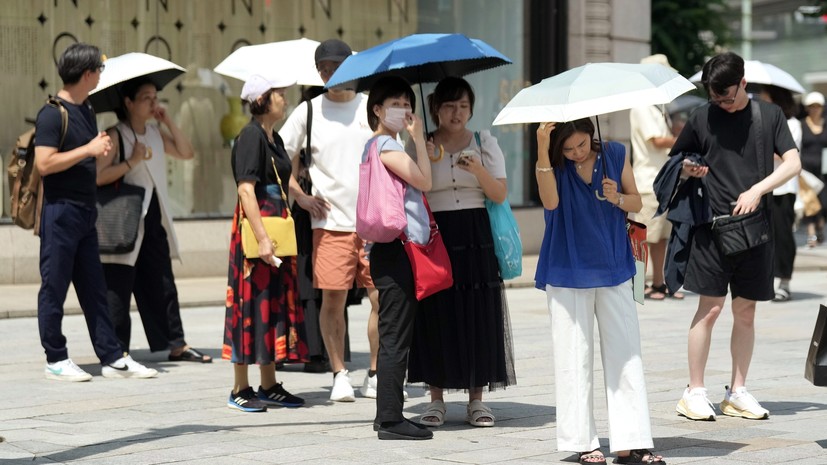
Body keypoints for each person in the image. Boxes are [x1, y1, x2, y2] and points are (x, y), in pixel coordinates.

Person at [668, 52, 800, 421]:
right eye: (715, 98)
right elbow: (678, 161)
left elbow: (793, 162)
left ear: (743, 84)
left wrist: (758, 189)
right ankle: (694, 392)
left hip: (755, 229)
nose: (721, 104)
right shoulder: (701, 116)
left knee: (746, 311)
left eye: (727, 97)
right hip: (712, 229)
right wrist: (689, 169)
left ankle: (737, 390)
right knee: (709, 309)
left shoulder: (768, 116)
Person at [535, 118, 665, 465]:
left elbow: (636, 202)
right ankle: (583, 443)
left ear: (590, 135)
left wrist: (617, 196)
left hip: (614, 265)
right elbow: (549, 203)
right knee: (573, 358)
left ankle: (631, 441)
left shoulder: (614, 152)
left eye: (580, 144)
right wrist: (542, 147)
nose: (575, 153)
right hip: (566, 269)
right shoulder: (554, 165)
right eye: (567, 148)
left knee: (626, 354)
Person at [33, 43, 157, 381]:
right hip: (60, 213)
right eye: (99, 70)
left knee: (94, 288)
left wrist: (98, 150)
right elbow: (44, 163)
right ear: (87, 73)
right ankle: (56, 358)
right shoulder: (51, 113)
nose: (101, 76)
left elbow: (82, 158)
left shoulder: (86, 109)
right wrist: (87, 148)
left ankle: (113, 356)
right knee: (54, 287)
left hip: (87, 213)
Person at [405, 77, 516, 428]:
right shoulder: (422, 144)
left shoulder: (485, 142)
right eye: (450, 106)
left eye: (464, 106)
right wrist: (419, 146)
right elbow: (411, 190)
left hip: (475, 233)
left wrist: (478, 169)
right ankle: (435, 399)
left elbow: (499, 193)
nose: (457, 113)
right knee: (436, 312)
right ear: (436, 108)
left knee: (478, 313)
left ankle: (476, 400)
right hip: (436, 235)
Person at [279, 39, 381, 401]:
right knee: (332, 301)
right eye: (323, 69)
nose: (330, 74)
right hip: (329, 224)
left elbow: (395, 153)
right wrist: (301, 197)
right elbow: (277, 158)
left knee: (381, 299)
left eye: (336, 66)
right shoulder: (308, 111)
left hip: (374, 224)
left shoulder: (372, 107)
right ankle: (339, 373)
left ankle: (375, 372)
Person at [96, 77, 211, 363]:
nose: (153, 102)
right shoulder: (114, 134)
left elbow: (187, 152)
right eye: (146, 97)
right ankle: (116, 348)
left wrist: (168, 121)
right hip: (123, 217)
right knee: (118, 284)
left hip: (154, 216)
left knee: (162, 280)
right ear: (128, 103)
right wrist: (131, 162)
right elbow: (97, 176)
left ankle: (176, 344)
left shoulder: (156, 134)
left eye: (155, 97)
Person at [222, 74, 307, 412]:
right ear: (261, 99)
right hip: (258, 231)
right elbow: (246, 189)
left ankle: (269, 383)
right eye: (279, 94)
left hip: (277, 231)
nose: (285, 99)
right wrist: (261, 239)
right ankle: (239, 387)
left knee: (270, 305)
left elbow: (284, 182)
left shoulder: (274, 139)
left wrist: (307, 199)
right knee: (249, 304)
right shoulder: (250, 137)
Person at [365, 76, 432, 440]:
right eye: (396, 103)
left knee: (395, 332)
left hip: (387, 248)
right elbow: (425, 181)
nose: (404, 109)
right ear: (377, 108)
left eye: (408, 103)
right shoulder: (387, 144)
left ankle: (386, 414)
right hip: (397, 248)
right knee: (395, 336)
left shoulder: (372, 145)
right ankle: (391, 419)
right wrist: (418, 138)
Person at [629, 54, 684, 300]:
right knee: (642, 237)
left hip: (660, 181)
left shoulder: (656, 107)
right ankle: (638, 286)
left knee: (660, 238)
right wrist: (682, 138)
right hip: (648, 182)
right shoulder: (642, 105)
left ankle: (658, 284)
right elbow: (657, 140)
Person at [755, 85, 801, 302]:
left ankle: (785, 281)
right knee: (767, 236)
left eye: (765, 97)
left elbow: (787, 155)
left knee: (783, 236)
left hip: (784, 189)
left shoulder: (793, 124)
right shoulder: (763, 122)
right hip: (765, 187)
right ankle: (770, 278)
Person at [800, 91, 827, 248]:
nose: (815, 109)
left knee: (823, 203)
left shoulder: (826, 124)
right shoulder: (802, 124)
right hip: (806, 170)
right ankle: (812, 235)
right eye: (811, 106)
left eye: (817, 106)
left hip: (824, 171)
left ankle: (820, 227)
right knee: (809, 202)